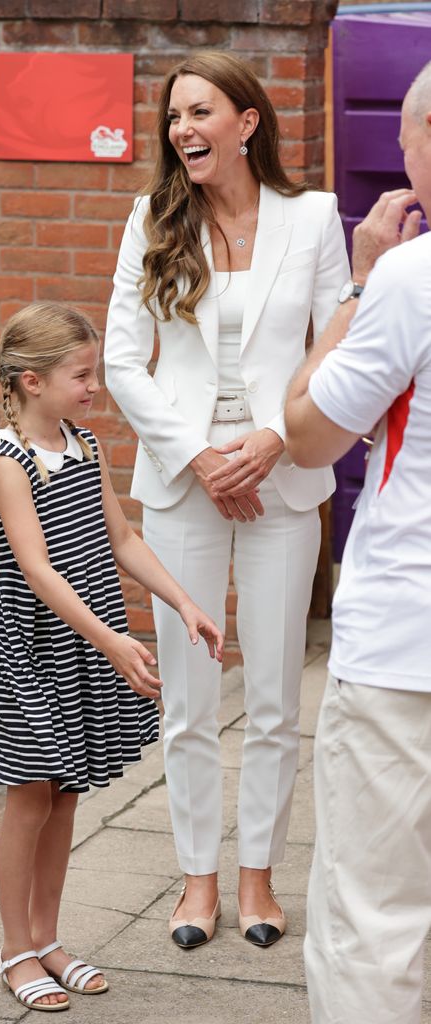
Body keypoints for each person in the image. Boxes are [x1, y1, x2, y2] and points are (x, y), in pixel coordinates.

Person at [104, 50, 350, 950]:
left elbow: (337, 347)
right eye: (174, 116)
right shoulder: (149, 219)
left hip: (281, 481)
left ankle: (258, 879)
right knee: (190, 695)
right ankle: (197, 880)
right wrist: (203, 458)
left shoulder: (315, 217)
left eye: (200, 111)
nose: (182, 130)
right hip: (182, 486)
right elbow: (121, 363)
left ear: (246, 122)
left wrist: (274, 443)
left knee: (279, 693)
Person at [0, 302, 224, 1011]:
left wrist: (183, 601)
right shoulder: (6, 460)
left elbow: (122, 540)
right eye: (80, 374)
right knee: (29, 794)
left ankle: (48, 939)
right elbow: (38, 569)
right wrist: (111, 640)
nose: (94, 386)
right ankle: (14, 949)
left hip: (84, 642)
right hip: (32, 646)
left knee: (67, 789)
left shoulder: (84, 444)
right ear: (30, 381)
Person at [284, 62, 431, 1024]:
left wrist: (361, 283)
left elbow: (306, 429)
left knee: (374, 920)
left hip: (403, 645)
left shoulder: (411, 281)